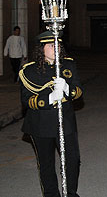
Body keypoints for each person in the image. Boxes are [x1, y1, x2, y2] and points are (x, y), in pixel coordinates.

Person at [19, 31, 83, 197]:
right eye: (51, 45)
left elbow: (79, 91)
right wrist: (50, 98)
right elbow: (27, 100)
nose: (56, 48)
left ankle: (71, 192)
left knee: (72, 160)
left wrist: (68, 89)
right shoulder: (30, 71)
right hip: (41, 123)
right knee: (46, 163)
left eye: (58, 45)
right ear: (42, 49)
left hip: (65, 122)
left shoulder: (68, 65)